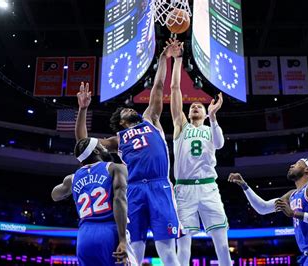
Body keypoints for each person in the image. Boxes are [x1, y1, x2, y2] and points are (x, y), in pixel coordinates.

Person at [74, 41, 181, 265]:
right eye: (126, 110)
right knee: (134, 252)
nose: (132, 108)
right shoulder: (117, 140)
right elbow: (84, 143)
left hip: (159, 185)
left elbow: (159, 86)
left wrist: (163, 57)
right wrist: (83, 109)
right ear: (121, 121)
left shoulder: (151, 118)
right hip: (133, 190)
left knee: (168, 253)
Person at [168, 41, 231, 265]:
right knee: (183, 246)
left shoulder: (209, 127)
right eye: (191, 106)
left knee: (222, 244)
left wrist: (213, 117)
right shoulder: (181, 127)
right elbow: (175, 90)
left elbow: (221, 144)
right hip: (184, 189)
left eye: (199, 106)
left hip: (208, 187)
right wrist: (177, 61)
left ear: (205, 113)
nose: (194, 106)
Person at [228, 158, 308, 265]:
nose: (292, 165)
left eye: (297, 163)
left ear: (307, 169)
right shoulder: (292, 195)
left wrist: (294, 214)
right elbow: (263, 208)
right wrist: (244, 186)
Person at [51, 138, 135, 265]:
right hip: (109, 232)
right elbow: (119, 200)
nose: (105, 147)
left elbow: (54, 195)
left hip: (84, 237)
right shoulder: (115, 168)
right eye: (101, 145)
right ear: (96, 150)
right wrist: (122, 240)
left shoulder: (72, 179)